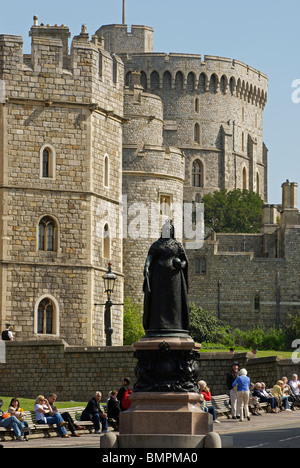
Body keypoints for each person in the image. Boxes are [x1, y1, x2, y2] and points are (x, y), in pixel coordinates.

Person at [143, 219, 189, 335]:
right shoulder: (156, 244)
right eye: (164, 229)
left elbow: (184, 260)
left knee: (174, 301)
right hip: (159, 277)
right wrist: (146, 266)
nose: (166, 231)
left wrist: (181, 265)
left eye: (168, 229)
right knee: (159, 301)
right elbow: (150, 257)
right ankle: (158, 326)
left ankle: (176, 325)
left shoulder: (177, 245)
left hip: (174, 278)